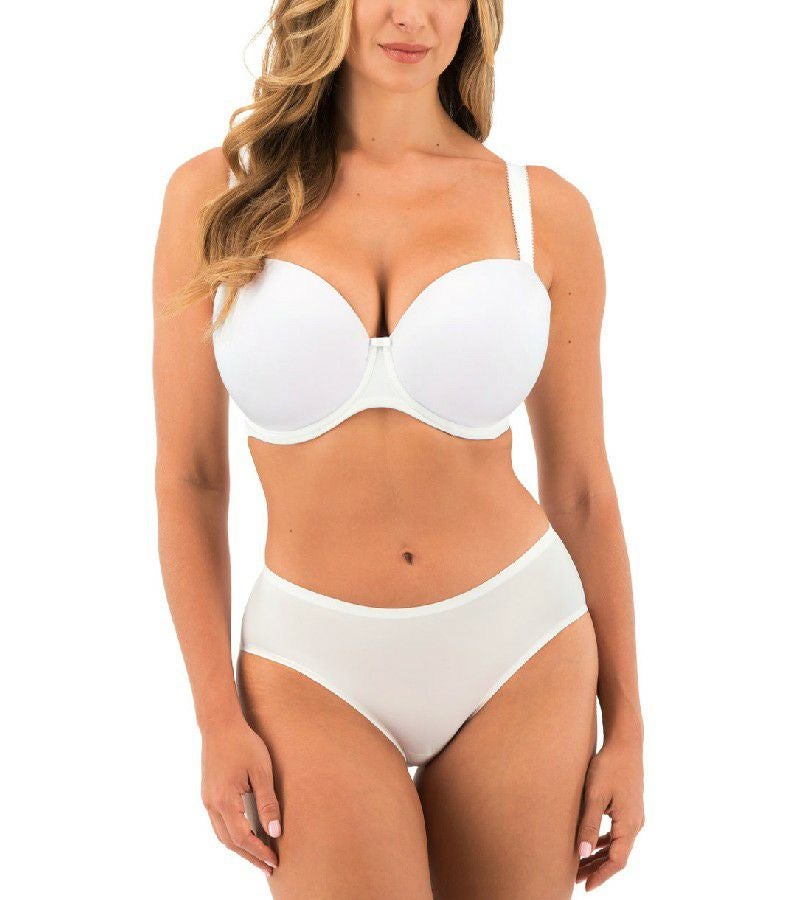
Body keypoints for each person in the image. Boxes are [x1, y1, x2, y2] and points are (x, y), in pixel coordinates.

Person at [153, 1, 644, 896]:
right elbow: (189, 479)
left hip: (522, 649)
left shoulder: (542, 210)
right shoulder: (217, 196)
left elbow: (580, 487)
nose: (412, 14)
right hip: (311, 667)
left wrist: (630, 727)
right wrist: (215, 719)